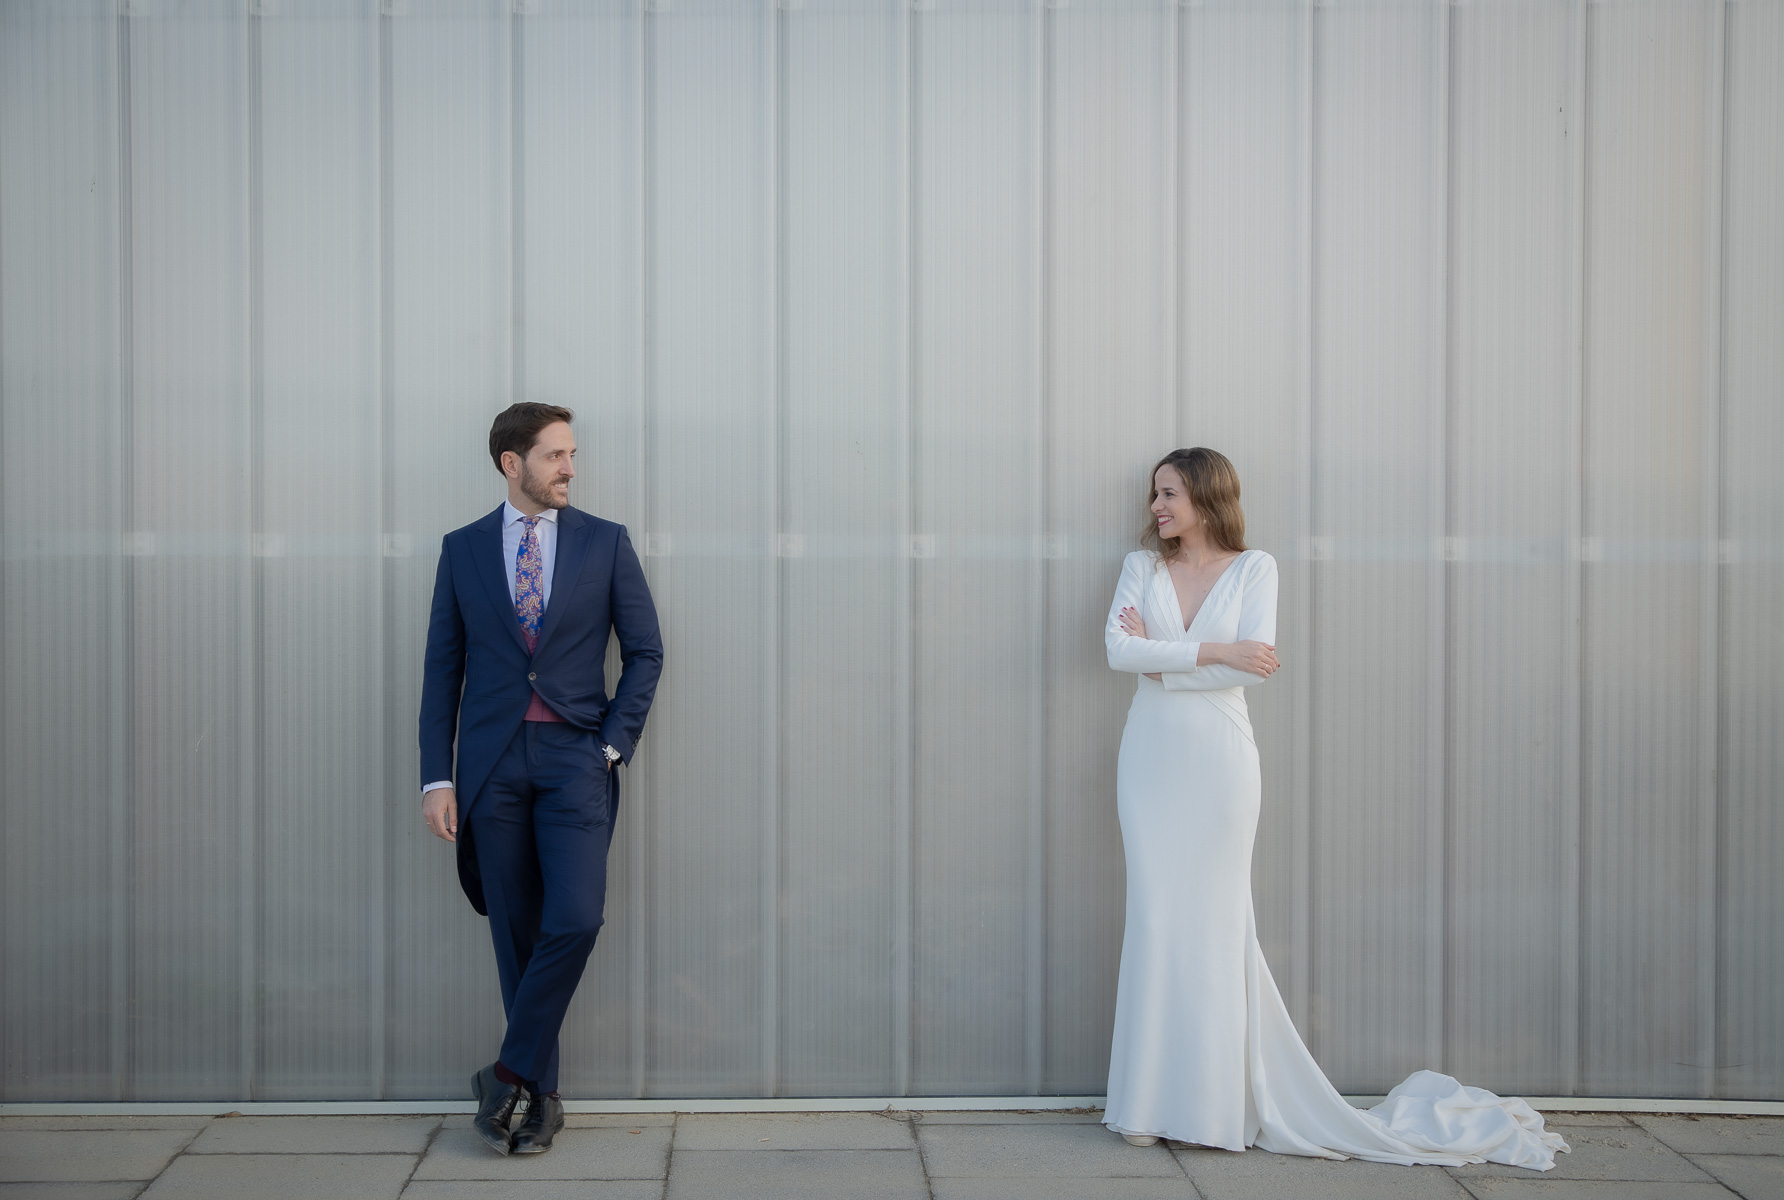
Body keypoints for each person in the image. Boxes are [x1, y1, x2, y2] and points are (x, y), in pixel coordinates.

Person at [1101, 447, 1567, 1170]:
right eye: (1154, 494)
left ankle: (1208, 1104)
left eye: (1169, 494)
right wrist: (1215, 650)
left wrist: (1167, 659)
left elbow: (1249, 668)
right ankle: (1145, 1102)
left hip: (1221, 765)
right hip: (1149, 763)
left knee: (1218, 921)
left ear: (1205, 496)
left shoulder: (1257, 568)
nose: (1156, 508)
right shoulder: (1142, 569)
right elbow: (1119, 651)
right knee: (1157, 916)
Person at [419, 403, 663, 1155]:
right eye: (555, 455)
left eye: (571, 454)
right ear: (510, 463)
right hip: (491, 766)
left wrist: (613, 746)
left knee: (575, 920)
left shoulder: (604, 542)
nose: (570, 468)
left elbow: (646, 652)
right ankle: (541, 1100)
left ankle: (507, 1072)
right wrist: (437, 778)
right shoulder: (461, 550)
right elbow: (442, 671)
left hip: (575, 759)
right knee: (516, 934)